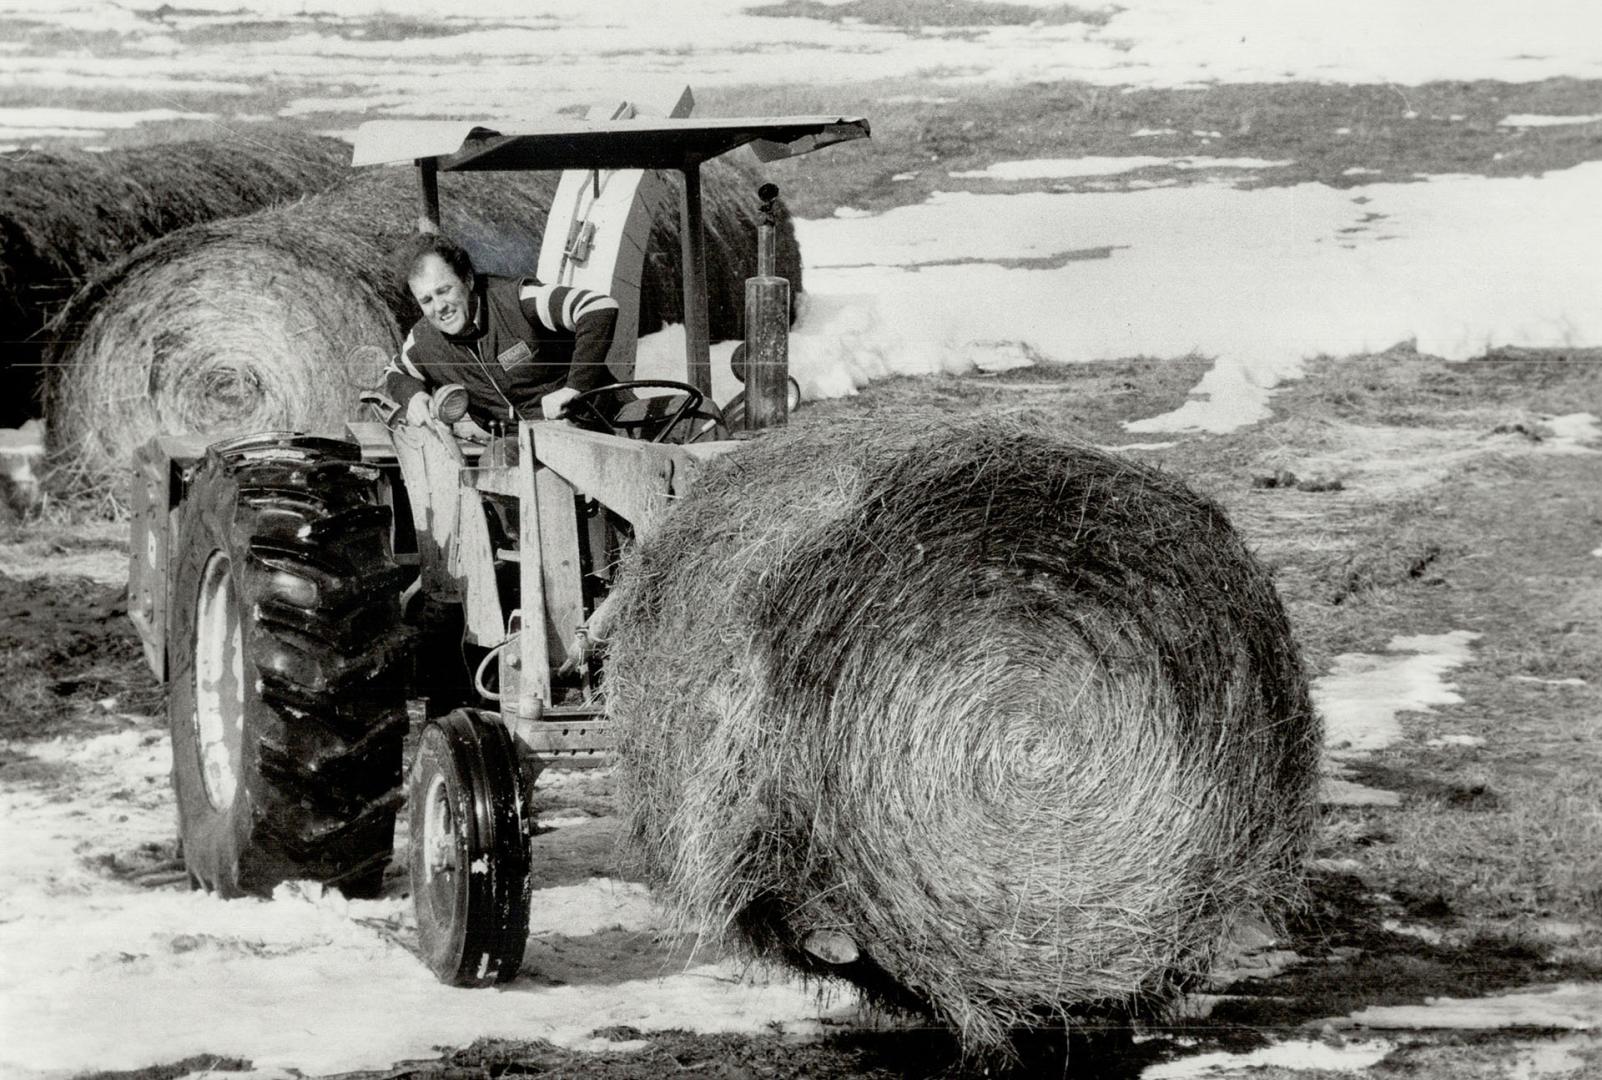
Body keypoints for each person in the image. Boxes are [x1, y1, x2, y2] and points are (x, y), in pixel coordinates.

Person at [380, 232, 620, 431]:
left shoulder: (517, 300)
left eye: (444, 291)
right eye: (426, 300)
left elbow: (598, 308)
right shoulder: (425, 339)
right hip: (518, 443)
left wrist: (575, 387)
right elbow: (395, 372)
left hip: (598, 423)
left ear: (468, 280)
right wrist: (413, 397)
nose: (439, 307)